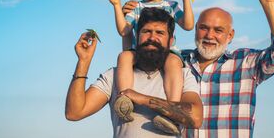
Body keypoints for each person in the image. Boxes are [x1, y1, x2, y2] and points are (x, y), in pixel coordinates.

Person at [123, 0, 274, 137]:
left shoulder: (245, 62)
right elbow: (142, 51)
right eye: (203, 28)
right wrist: (134, 14)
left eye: (218, 30)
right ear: (196, 29)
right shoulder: (175, 62)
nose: (209, 35)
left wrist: (269, 5)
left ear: (230, 35)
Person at [65, 8, 203, 137]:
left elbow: (196, 118)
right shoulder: (115, 76)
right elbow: (74, 112)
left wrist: (142, 99)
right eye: (146, 31)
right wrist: (84, 61)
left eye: (160, 33)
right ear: (137, 37)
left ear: (170, 41)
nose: (152, 37)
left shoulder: (183, 75)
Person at [107, 0, 194, 115]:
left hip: (167, 52)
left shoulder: (172, 6)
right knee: (124, 56)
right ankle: (125, 99)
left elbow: (187, 25)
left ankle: (172, 108)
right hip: (142, 52)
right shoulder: (137, 7)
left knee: (174, 62)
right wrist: (116, 6)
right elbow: (123, 30)